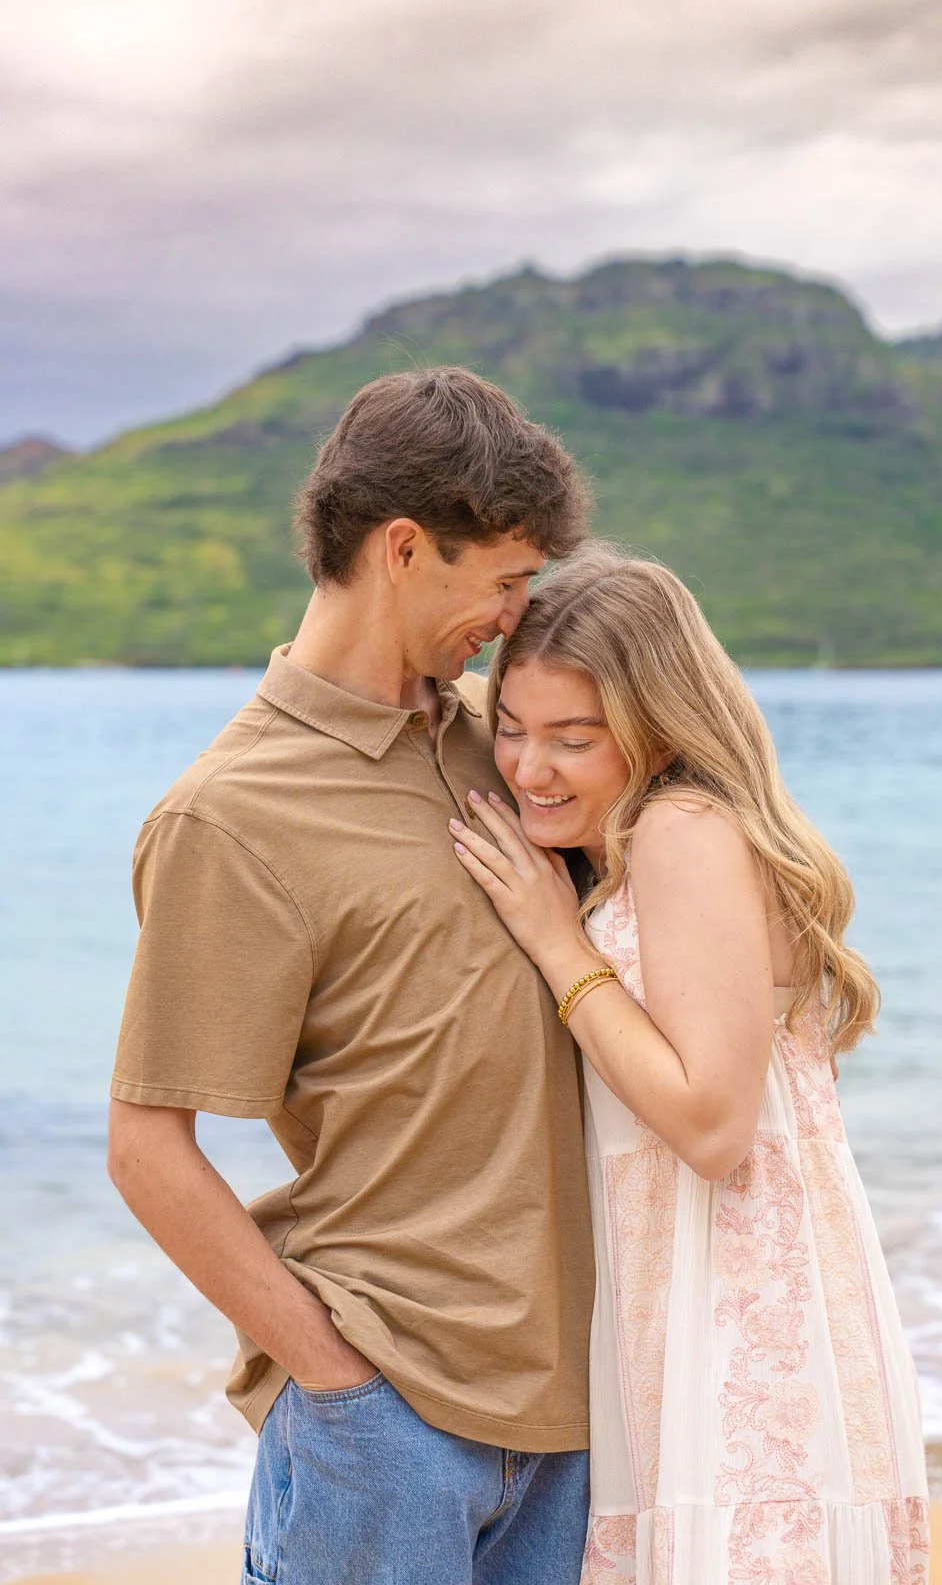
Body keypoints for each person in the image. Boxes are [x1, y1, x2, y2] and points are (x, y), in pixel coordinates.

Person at [107, 367, 596, 1585]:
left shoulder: (507, 737)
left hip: (577, 1414)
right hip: (390, 1429)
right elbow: (146, 1145)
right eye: (503, 577)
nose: (518, 611)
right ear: (401, 548)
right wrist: (338, 1380)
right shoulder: (232, 817)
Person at [451, 547, 930, 1585]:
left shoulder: (682, 829)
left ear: (655, 729)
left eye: (571, 740)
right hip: (706, 1299)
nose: (528, 770)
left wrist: (554, 942)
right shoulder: (638, 839)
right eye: (511, 729)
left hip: (738, 1319)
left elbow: (711, 1127)